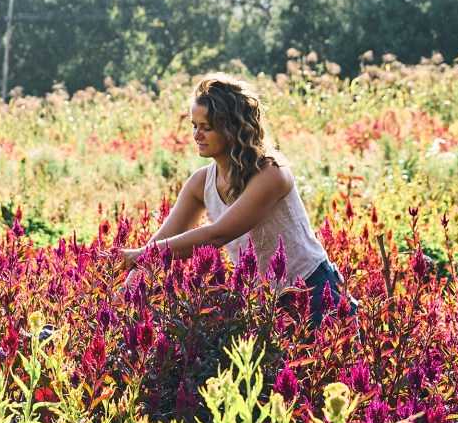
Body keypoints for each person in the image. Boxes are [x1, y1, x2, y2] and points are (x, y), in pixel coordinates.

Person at [117, 72, 355, 329]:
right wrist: (122, 295)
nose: (197, 135)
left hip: (316, 292)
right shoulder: (200, 183)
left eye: (207, 127)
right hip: (267, 302)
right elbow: (159, 246)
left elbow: (218, 235)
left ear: (232, 129)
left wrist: (142, 255)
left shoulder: (270, 175)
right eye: (194, 126)